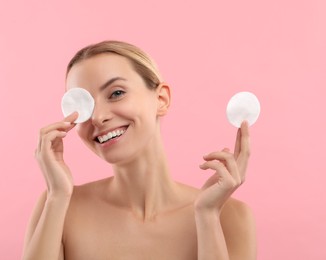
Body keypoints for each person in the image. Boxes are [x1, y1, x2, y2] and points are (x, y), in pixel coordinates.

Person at [22, 40, 257, 260]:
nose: (98, 117)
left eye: (116, 93)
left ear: (161, 99)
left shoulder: (230, 217)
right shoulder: (58, 206)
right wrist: (58, 196)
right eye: (83, 105)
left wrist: (207, 218)